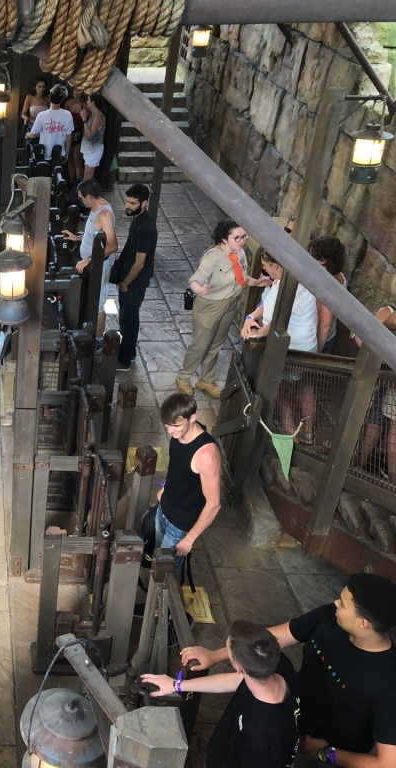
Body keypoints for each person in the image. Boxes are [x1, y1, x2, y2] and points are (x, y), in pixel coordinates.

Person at [182, 573, 396, 768]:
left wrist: (325, 753)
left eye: (343, 604)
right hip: (291, 720)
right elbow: (272, 640)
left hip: (328, 754)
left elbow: (387, 763)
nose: (335, 603)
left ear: (363, 623)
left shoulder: (388, 681)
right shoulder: (331, 617)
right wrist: (215, 655)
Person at [142, 620, 300, 768]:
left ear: (238, 667)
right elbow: (235, 681)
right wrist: (176, 685)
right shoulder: (276, 666)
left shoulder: (262, 738)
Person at [178, 218, 265, 398]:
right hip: (209, 306)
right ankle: (183, 377)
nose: (242, 241)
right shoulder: (213, 257)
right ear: (224, 239)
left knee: (217, 343)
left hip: (230, 303)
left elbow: (242, 277)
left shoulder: (240, 254)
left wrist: (256, 282)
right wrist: (199, 289)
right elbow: (195, 280)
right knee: (201, 344)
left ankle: (206, 380)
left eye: (244, 237)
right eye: (237, 238)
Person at [241, 252, 320, 439]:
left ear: (275, 266)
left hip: (295, 348)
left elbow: (277, 319)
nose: (263, 269)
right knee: (304, 386)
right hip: (306, 346)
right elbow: (267, 306)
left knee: (279, 388)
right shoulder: (286, 278)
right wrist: (250, 318)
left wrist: (257, 334)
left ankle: (291, 433)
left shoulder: (290, 288)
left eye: (265, 265)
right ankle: (306, 432)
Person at [156, 393, 221, 577]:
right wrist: (165, 486)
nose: (170, 431)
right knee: (156, 556)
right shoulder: (178, 433)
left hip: (180, 525)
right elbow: (178, 467)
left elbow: (214, 504)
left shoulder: (206, 455)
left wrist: (189, 539)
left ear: (193, 417)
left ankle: (162, 604)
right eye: (167, 425)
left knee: (166, 573)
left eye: (175, 426)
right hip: (165, 507)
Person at [62, 178, 118, 339]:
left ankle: (98, 341)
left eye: (81, 198)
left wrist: (88, 259)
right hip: (91, 262)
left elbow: (112, 245)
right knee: (90, 299)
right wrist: (77, 238)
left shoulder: (104, 214)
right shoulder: (94, 208)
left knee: (98, 305)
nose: (80, 201)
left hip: (100, 265)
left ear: (90, 197)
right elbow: (93, 236)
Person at [114, 183, 157, 372]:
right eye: (127, 201)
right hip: (131, 283)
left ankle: (124, 360)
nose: (128, 206)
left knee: (129, 322)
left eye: (132, 203)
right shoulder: (138, 220)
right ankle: (128, 353)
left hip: (134, 285)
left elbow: (140, 262)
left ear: (144, 203)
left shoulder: (145, 228)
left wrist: (125, 283)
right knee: (126, 320)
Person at [356, 306, 396, 481]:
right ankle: (361, 464)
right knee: (378, 418)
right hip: (386, 375)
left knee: (382, 422)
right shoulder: (387, 312)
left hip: (387, 373)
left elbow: (361, 336)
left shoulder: (388, 315)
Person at [309, 235, 348, 355]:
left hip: (318, 339)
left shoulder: (326, 287)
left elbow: (325, 325)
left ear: (323, 260)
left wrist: (316, 353)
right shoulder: (339, 276)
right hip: (328, 336)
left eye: (312, 256)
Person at [25, 84, 73, 164]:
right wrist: (67, 153)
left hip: (44, 154)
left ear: (50, 96)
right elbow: (69, 136)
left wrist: (27, 135)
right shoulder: (68, 115)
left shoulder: (42, 115)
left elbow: (33, 134)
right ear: (62, 99)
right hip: (60, 154)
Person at [79, 93, 106, 180]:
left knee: (87, 178)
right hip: (89, 149)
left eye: (88, 100)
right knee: (87, 176)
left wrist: (84, 120)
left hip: (94, 150)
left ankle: (87, 193)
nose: (87, 102)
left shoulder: (98, 116)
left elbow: (90, 134)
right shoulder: (93, 115)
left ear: (93, 103)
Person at [64, 86, 86, 183]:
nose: (76, 92)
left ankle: (79, 183)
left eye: (79, 90)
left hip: (80, 132)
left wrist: (80, 133)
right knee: (70, 159)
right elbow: (63, 119)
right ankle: (71, 181)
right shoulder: (68, 103)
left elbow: (88, 122)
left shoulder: (84, 105)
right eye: (75, 89)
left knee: (77, 160)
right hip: (69, 132)